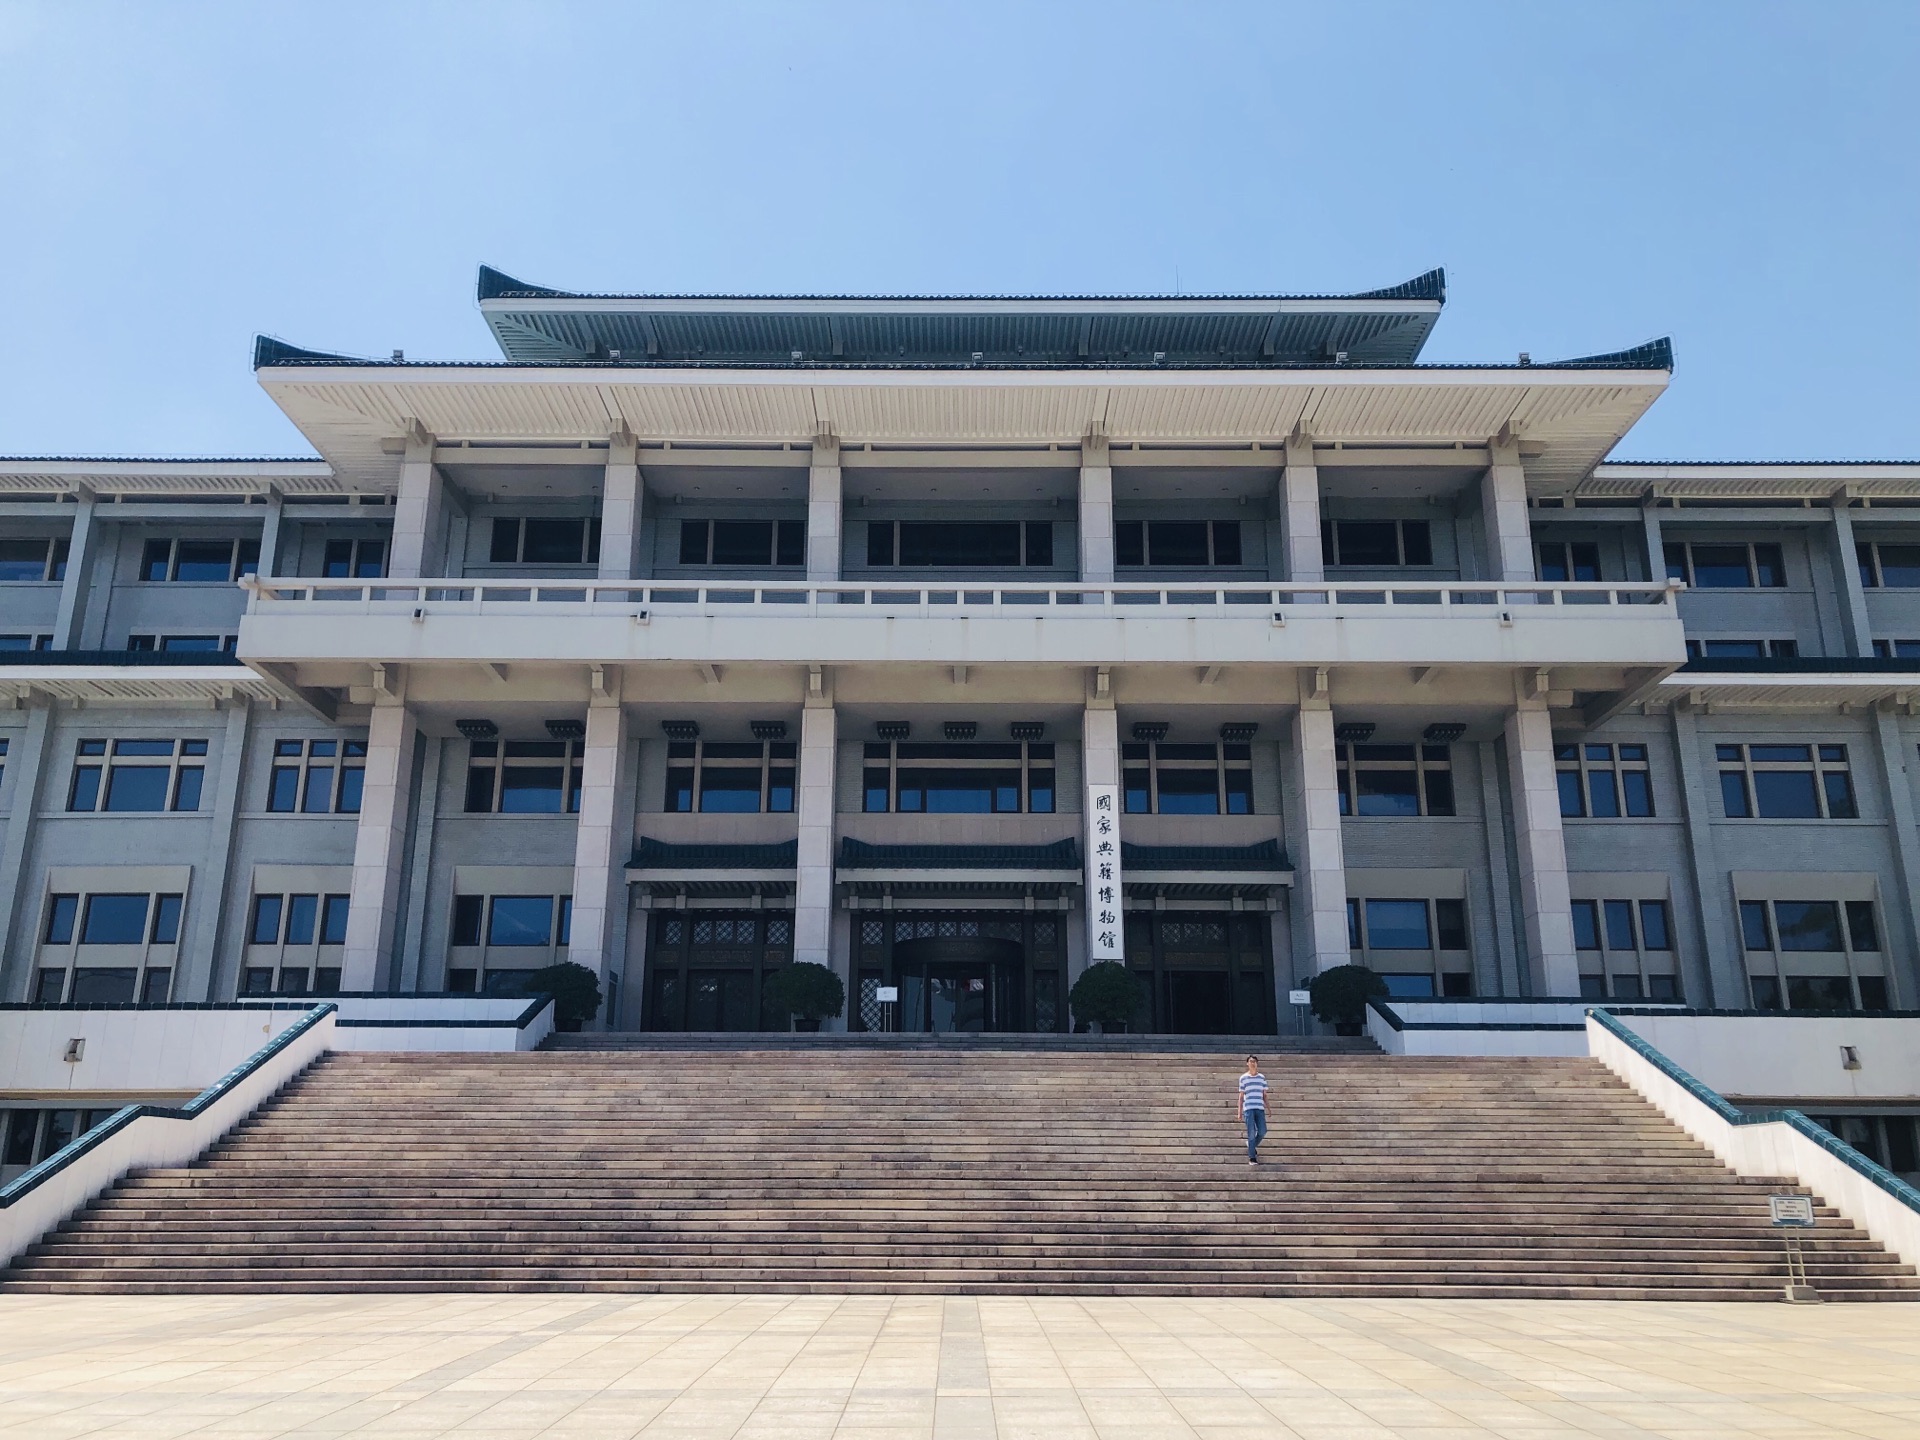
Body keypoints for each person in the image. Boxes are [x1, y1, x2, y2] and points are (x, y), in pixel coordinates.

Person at [1237, 1055, 1268, 1166]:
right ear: (1247, 1064)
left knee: (1263, 1131)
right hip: (1249, 1108)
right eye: (1250, 1061)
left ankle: (1251, 1145)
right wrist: (1239, 1112)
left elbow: (1264, 1095)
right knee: (1251, 1133)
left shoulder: (1262, 1078)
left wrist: (1268, 1108)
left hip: (1259, 1108)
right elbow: (1241, 1096)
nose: (1252, 1063)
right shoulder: (1243, 1078)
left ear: (1257, 1063)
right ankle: (1252, 1158)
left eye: (1254, 1061)